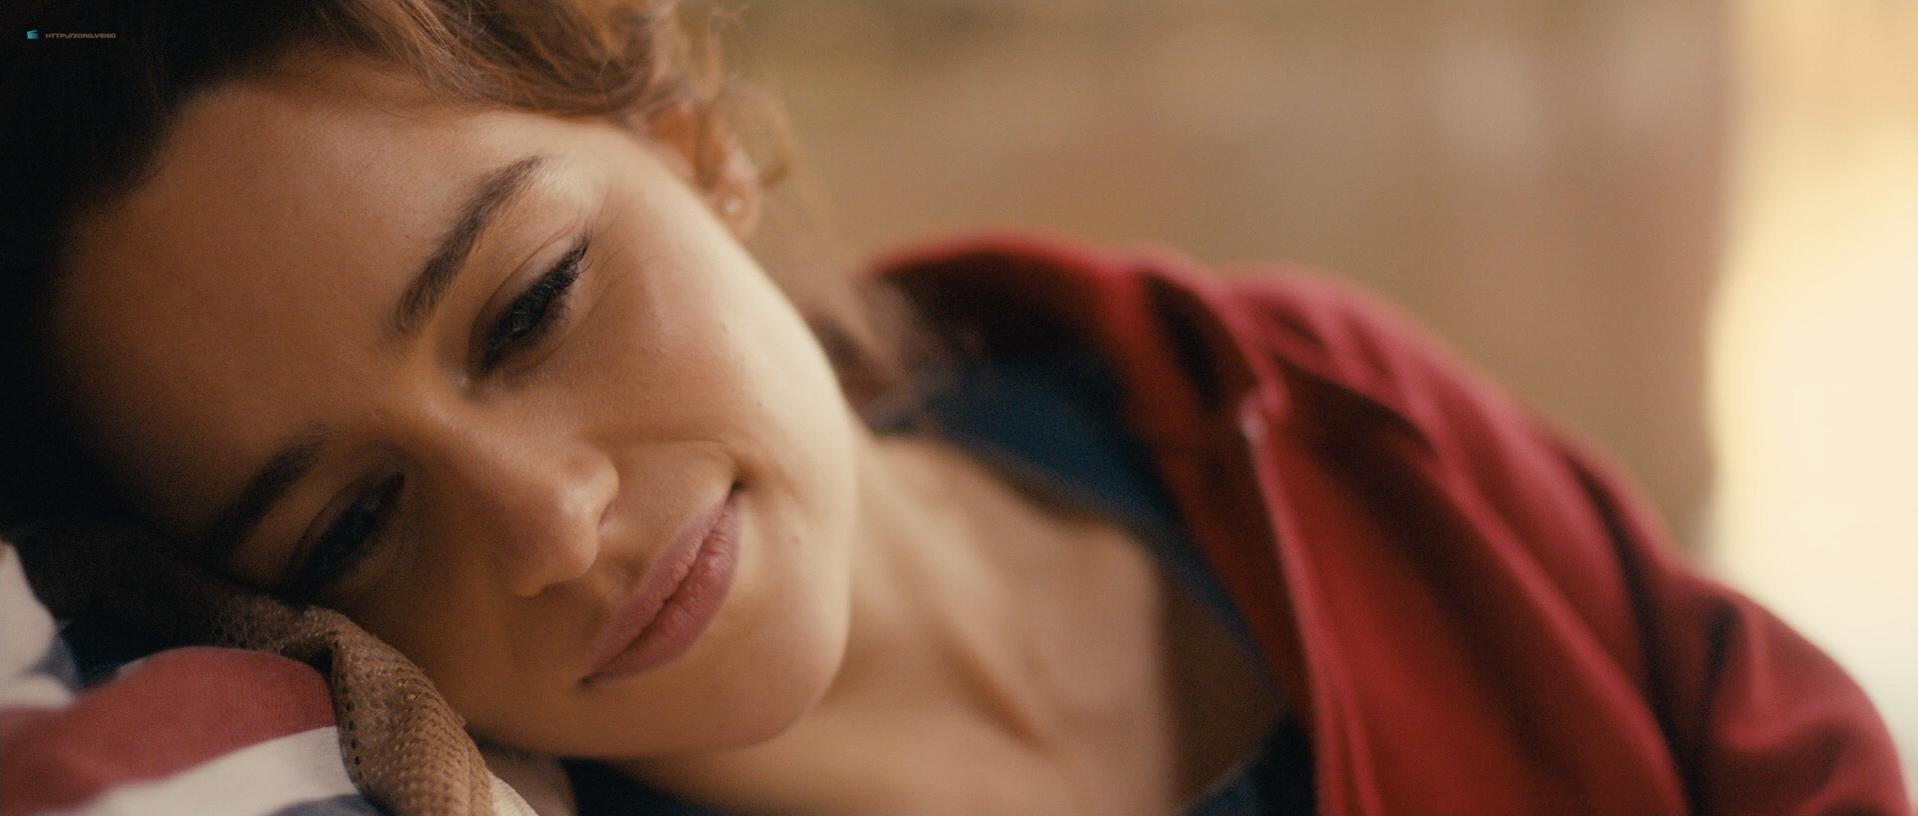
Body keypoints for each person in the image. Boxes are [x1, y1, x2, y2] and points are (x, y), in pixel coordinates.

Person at [0, 1, 1905, 815]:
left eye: (531, 305)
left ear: (684, 131)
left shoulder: (1274, 391)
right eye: (352, 525)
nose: (551, 521)